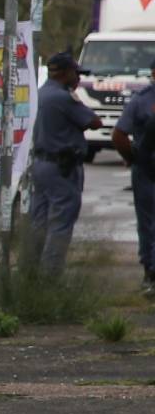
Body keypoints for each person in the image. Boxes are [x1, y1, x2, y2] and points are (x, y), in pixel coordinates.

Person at [28, 52, 105, 277]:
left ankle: (30, 273)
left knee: (38, 222)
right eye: (76, 73)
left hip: (41, 164)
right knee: (60, 223)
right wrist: (76, 97)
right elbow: (94, 121)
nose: (78, 78)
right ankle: (50, 278)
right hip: (62, 168)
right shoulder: (64, 97)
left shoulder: (41, 93)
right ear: (65, 73)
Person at [109, 60, 155, 292]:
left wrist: (133, 158)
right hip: (147, 168)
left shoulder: (142, 100)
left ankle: (151, 271)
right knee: (148, 223)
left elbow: (118, 135)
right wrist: (134, 158)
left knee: (148, 222)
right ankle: (151, 271)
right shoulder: (141, 100)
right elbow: (118, 134)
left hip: (146, 167)